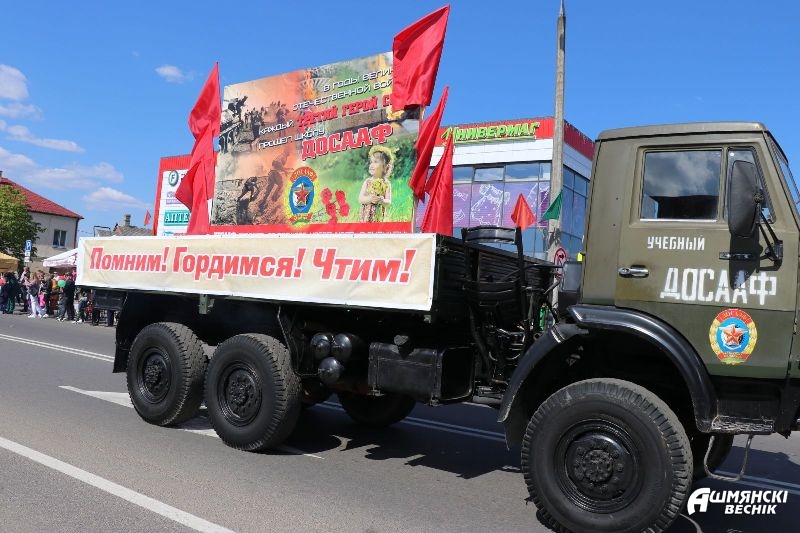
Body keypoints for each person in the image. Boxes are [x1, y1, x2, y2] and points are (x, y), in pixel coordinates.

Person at [358, 145, 394, 223]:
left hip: (378, 217)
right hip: (366, 217)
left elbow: (388, 201)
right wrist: (370, 199)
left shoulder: (386, 183)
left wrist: (382, 201)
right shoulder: (368, 182)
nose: (371, 165)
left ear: (385, 167)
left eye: (375, 162)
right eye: (371, 162)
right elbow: (360, 198)